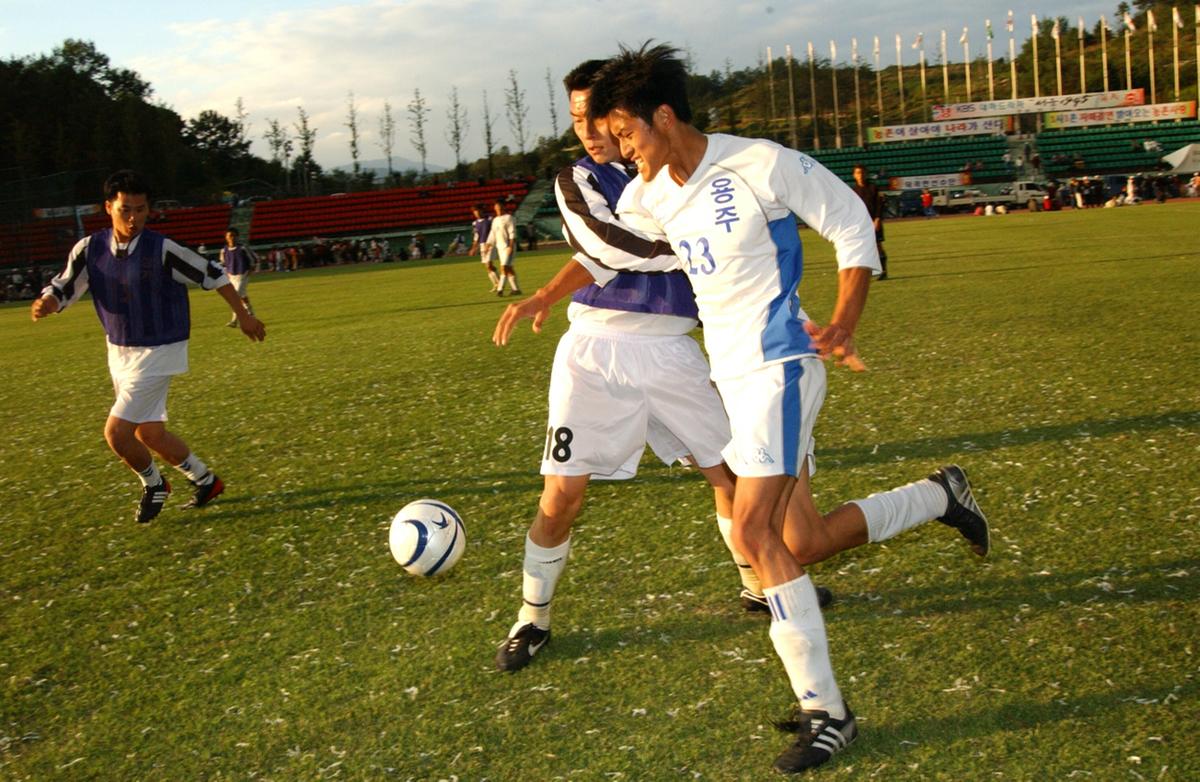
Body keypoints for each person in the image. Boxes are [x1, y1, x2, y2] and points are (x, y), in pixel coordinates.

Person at [586, 44, 989, 774]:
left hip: (782, 368)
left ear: (665, 115)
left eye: (627, 133)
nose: (620, 149)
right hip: (734, 382)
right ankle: (940, 494)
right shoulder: (645, 195)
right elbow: (613, 257)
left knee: (751, 533)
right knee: (797, 543)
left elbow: (851, 227)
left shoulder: (759, 164)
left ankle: (827, 712)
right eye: (611, 137)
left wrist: (844, 320)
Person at [489, 59, 832, 674]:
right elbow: (604, 250)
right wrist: (704, 249)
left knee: (732, 474)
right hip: (597, 351)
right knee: (562, 495)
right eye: (576, 121)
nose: (589, 132)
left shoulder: (674, 165)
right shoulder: (577, 178)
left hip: (675, 347)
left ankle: (758, 583)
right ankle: (531, 618)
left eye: (596, 117)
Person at [30, 170, 266, 523]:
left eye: (141, 210)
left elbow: (212, 273)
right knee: (149, 432)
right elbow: (65, 283)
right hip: (119, 351)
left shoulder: (163, 248)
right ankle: (206, 480)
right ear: (109, 207)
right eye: (126, 209)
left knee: (116, 433)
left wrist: (244, 315)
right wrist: (49, 301)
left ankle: (154, 484)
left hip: (160, 350)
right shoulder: (89, 248)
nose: (133, 217)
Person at [850, 164, 887, 280]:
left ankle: (883, 271)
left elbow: (879, 204)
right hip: (861, 224)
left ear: (865, 174)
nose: (860, 175)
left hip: (874, 222)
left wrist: (877, 219)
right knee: (863, 248)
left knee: (877, 246)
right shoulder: (853, 191)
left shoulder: (873, 188)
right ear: (854, 175)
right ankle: (868, 272)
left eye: (862, 173)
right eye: (858, 173)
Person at [218, 228, 258, 327]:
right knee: (242, 295)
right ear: (226, 238)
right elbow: (223, 264)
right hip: (231, 276)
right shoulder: (224, 250)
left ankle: (234, 320)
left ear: (237, 237)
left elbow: (254, 259)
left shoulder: (243, 248)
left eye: (233, 235)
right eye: (229, 236)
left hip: (242, 275)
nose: (231, 238)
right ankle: (250, 312)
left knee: (235, 297)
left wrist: (251, 270)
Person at [487, 200, 521, 296]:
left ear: (504, 208)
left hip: (508, 247)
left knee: (504, 267)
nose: (499, 210)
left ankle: (500, 289)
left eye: (500, 208)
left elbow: (512, 233)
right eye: (497, 209)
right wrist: (488, 244)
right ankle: (516, 289)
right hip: (500, 247)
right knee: (509, 268)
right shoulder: (495, 220)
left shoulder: (509, 218)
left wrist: (511, 246)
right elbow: (493, 234)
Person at [467, 204, 500, 291]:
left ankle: (500, 282)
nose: (476, 213)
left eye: (477, 211)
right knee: (488, 267)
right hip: (482, 245)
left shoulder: (490, 219)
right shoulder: (475, 223)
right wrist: (473, 248)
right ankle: (496, 284)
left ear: (481, 211)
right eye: (475, 212)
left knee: (489, 264)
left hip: (490, 243)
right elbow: (476, 236)